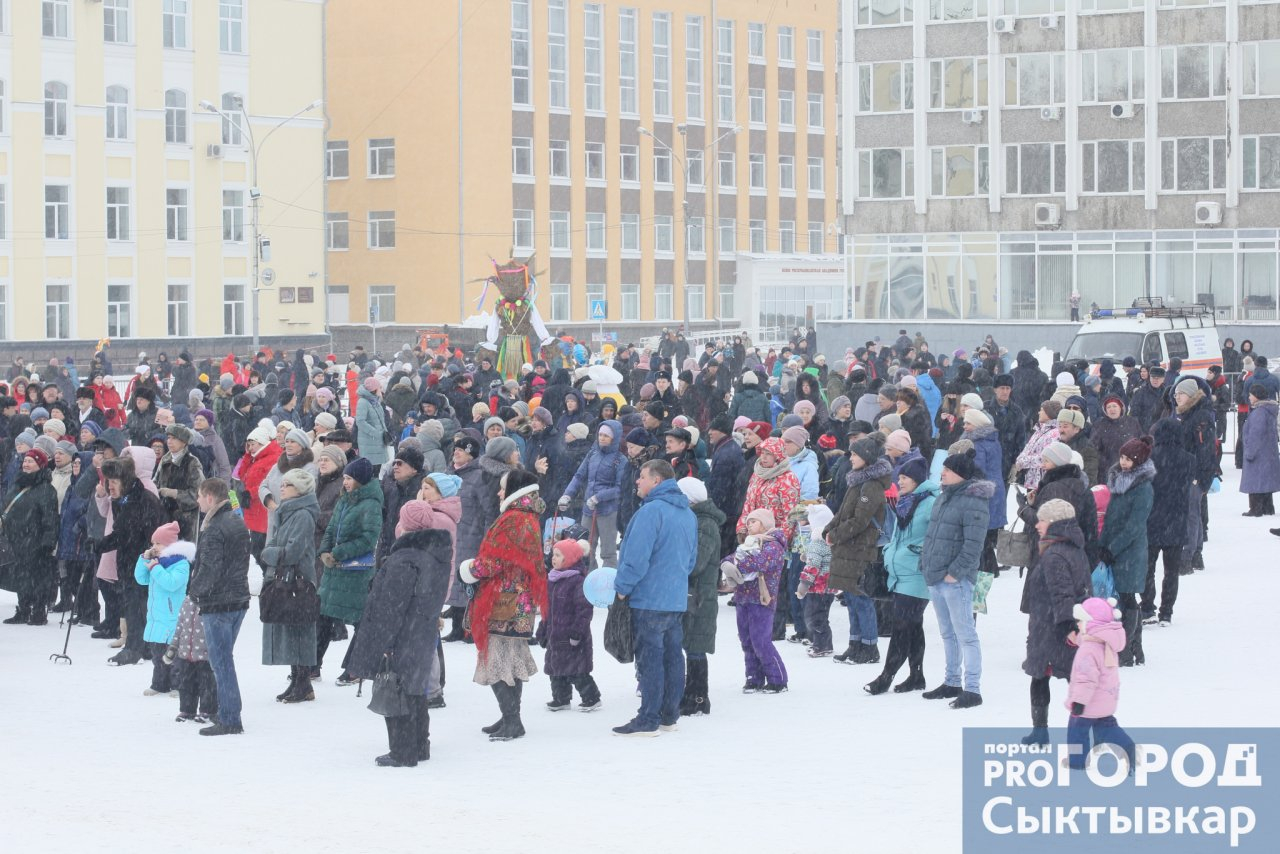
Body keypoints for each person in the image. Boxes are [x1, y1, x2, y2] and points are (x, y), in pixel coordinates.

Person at [346, 499, 454, 766]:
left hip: (402, 633)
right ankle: (420, 745)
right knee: (415, 689)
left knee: (397, 689)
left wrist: (385, 640)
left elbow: (391, 606)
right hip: (422, 630)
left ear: (404, 525)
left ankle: (403, 751)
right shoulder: (435, 555)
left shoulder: (404, 559)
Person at [459, 468, 548, 742]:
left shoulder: (513, 519)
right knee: (510, 661)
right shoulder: (528, 516)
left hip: (504, 600)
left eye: (502, 487)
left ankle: (512, 720)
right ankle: (511, 716)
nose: (499, 492)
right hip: (520, 599)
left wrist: (469, 569)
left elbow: (496, 561)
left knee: (498, 661)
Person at [611, 460, 698, 737]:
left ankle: (648, 718)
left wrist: (623, 587)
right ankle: (669, 715)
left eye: (642, 477)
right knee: (673, 658)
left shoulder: (651, 512)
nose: (637, 481)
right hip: (674, 597)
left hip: (648, 598)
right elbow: (691, 560)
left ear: (657, 481)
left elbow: (636, 559)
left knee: (650, 661)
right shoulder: (688, 514)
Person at [920, 449, 991, 708]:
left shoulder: (974, 501)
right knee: (947, 633)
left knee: (965, 634)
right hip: (935, 574)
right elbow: (932, 535)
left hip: (955, 579)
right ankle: (952, 681)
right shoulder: (944, 497)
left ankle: (973, 688)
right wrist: (925, 563)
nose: (942, 473)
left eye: (948, 470)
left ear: (960, 474)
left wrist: (955, 572)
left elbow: (974, 545)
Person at [1018, 498, 1092, 746]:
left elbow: (1063, 594)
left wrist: (1066, 627)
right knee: (1077, 682)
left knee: (1042, 678)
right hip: (1059, 624)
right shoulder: (1071, 547)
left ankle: (1044, 732)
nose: (1037, 525)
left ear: (1054, 523)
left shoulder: (1054, 555)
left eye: (1042, 520)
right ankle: (1080, 732)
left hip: (1053, 628)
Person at [864, 456, 935, 695]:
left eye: (905, 478)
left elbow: (937, 537)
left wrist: (920, 554)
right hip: (900, 571)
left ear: (917, 479)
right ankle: (917, 675)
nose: (900, 481)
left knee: (902, 626)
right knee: (913, 626)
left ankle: (886, 676)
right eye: (900, 477)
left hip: (917, 572)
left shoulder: (931, 502)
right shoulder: (906, 500)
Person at [188, 478, 252, 736]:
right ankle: (226, 711)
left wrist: (193, 592)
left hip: (219, 603)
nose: (198, 501)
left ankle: (229, 717)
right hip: (238, 599)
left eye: (200, 496)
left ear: (210, 498)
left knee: (221, 662)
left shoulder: (214, 527)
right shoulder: (237, 521)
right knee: (225, 659)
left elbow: (209, 569)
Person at [316, 457, 383, 682]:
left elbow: (368, 539)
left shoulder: (371, 504)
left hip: (355, 572)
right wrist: (324, 551)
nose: (345, 482)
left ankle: (356, 668)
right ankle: (312, 666)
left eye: (349, 478)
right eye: (344, 477)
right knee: (322, 618)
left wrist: (339, 553)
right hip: (334, 570)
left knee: (360, 622)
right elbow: (331, 528)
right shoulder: (344, 500)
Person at [826, 436, 892, 664]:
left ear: (866, 457)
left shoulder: (871, 486)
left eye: (854, 454)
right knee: (852, 598)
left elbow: (860, 520)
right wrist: (828, 528)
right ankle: (855, 644)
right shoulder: (857, 482)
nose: (851, 458)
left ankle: (869, 647)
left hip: (860, 549)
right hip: (849, 549)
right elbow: (843, 513)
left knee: (862, 599)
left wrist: (836, 535)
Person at [99, 452, 168, 664]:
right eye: (108, 481)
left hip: (141, 561)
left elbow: (126, 534)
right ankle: (144, 646)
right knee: (135, 603)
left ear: (125, 480)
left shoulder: (140, 499)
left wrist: (99, 545)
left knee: (136, 605)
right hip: (132, 560)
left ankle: (134, 647)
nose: (110, 486)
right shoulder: (126, 498)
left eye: (114, 481)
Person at [259, 468, 320, 704]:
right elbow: (277, 544)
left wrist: (270, 554)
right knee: (291, 627)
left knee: (300, 629)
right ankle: (296, 680)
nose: (281, 488)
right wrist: (275, 552)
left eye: (288, 485)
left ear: (300, 490)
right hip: (287, 577)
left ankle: (303, 683)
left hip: (299, 580)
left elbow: (293, 551)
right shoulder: (286, 512)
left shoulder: (303, 514)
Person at [1098, 437, 1154, 667]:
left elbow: (1135, 524)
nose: (1123, 462)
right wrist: (1103, 544)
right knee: (1123, 598)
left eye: (1129, 459)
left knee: (1128, 599)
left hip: (1130, 551)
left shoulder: (1142, 488)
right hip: (1116, 549)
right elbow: (1112, 518)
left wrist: (1112, 547)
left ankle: (1126, 651)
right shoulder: (1119, 481)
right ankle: (1134, 649)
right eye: (1122, 457)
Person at [1064, 598, 1137, 771]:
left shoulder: (1088, 650)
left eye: (1081, 621)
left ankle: (1077, 762)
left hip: (1088, 702)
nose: (1078, 625)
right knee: (1106, 728)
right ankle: (1126, 747)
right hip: (1106, 698)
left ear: (1091, 624)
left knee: (1076, 732)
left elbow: (1086, 678)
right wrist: (1075, 638)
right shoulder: (1105, 641)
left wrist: (1079, 702)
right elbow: (1089, 638)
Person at [724, 508, 789, 693]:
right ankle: (754, 677)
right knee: (746, 640)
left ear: (765, 524)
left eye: (753, 521)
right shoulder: (748, 544)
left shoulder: (773, 545)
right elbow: (733, 557)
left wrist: (735, 564)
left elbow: (760, 562)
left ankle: (777, 679)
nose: (748, 525)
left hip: (762, 599)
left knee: (760, 640)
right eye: (748, 521)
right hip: (743, 597)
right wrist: (726, 563)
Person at [535, 537, 601, 713]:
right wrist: (542, 630)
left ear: (570, 559)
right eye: (553, 555)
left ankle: (591, 697)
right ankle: (561, 698)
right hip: (555, 635)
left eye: (558, 555)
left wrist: (577, 632)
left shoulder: (578, 582)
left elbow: (584, 611)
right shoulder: (552, 579)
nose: (553, 558)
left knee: (576, 670)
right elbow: (546, 609)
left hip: (572, 636)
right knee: (555, 669)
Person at [677, 476, 724, 717]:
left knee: (695, 647)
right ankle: (692, 695)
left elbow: (696, 563)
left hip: (699, 596)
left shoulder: (705, 523)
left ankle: (698, 697)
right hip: (695, 594)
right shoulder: (697, 520)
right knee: (691, 645)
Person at [1142, 419, 1194, 629]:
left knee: (1148, 568)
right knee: (1171, 571)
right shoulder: (1189, 459)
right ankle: (1167, 612)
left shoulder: (1150, 458)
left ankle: (1147, 607)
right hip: (1177, 518)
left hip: (1153, 518)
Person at [0, 449, 60, 625]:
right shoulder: (17, 485)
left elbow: (50, 518)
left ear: (40, 465)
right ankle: (23, 609)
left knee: (37, 577)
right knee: (21, 576)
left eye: (30, 461)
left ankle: (39, 611)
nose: (25, 464)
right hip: (15, 540)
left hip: (35, 541)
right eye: (25, 461)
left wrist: (48, 542)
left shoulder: (46, 490)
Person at [134, 520, 193, 698]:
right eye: (153, 543)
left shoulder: (181, 564)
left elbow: (172, 583)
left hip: (172, 618)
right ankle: (159, 683)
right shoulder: (156, 562)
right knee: (157, 654)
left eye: (158, 543)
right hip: (156, 618)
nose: (154, 546)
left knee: (173, 655)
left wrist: (155, 567)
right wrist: (144, 559)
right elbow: (141, 579)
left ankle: (177, 684)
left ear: (169, 545)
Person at [558, 419, 626, 570]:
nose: (602, 438)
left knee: (608, 552)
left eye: (606, 436)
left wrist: (599, 497)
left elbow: (619, 488)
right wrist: (567, 495)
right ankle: (589, 579)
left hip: (607, 511)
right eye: (600, 434)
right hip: (588, 510)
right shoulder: (592, 454)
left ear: (614, 438)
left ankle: (607, 584)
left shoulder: (620, 460)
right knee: (585, 548)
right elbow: (579, 476)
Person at [796, 504, 836, 658]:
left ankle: (820, 645)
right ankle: (826, 643)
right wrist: (809, 556)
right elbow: (825, 558)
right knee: (822, 615)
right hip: (829, 586)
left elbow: (812, 566)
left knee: (813, 617)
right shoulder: (830, 540)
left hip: (817, 586)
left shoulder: (817, 541)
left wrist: (803, 585)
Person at [1240, 384, 1280, 517]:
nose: (1249, 397)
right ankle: (1268, 507)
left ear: (1256, 396)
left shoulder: (1259, 412)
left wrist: (1249, 452)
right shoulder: (1268, 410)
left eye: (1251, 394)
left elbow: (1255, 435)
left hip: (1258, 453)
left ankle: (1256, 508)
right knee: (1265, 482)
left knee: (1255, 481)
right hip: (1268, 452)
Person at [354, 377, 391, 472]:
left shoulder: (375, 401)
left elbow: (381, 421)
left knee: (376, 470)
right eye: (379, 387)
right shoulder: (363, 402)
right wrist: (376, 433)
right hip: (369, 442)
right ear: (374, 389)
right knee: (371, 472)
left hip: (377, 442)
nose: (381, 389)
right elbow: (360, 422)